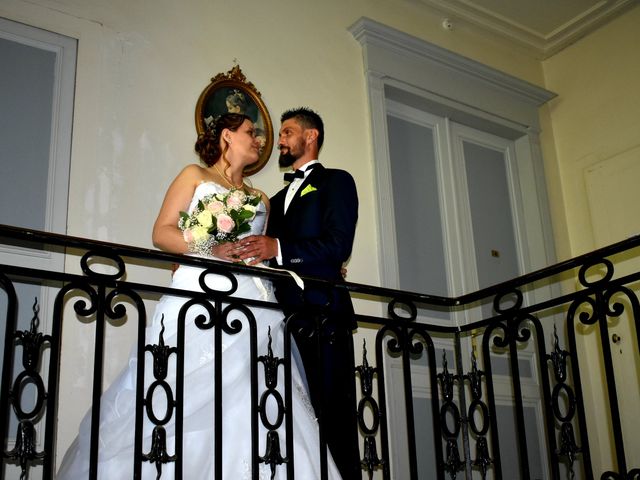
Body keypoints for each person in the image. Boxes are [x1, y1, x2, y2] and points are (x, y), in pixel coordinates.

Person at [57, 113, 342, 479]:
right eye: (250, 132)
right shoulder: (194, 176)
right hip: (199, 293)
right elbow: (162, 233)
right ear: (227, 135)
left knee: (258, 394)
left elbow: (268, 248)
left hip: (254, 302)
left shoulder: (262, 200)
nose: (259, 140)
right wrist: (210, 246)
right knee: (180, 385)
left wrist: (323, 268)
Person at [237, 108, 361, 479]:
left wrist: (279, 248)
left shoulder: (337, 182)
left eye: (288, 132)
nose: (281, 140)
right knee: (289, 420)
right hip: (280, 320)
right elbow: (259, 252)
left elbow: (338, 245)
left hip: (323, 316)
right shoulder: (273, 197)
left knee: (333, 419)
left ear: (312, 137)